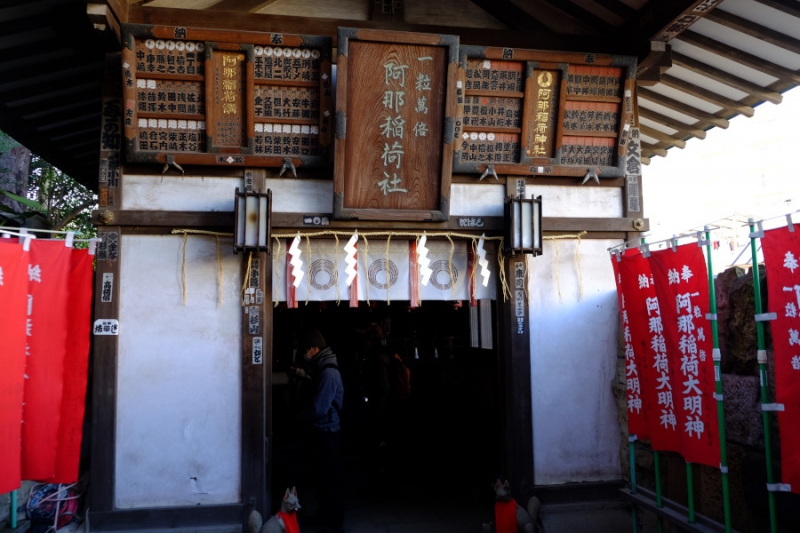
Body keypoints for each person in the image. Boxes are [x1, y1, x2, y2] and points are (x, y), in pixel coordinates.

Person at [291, 328, 345, 533]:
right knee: (322, 478)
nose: (305, 353)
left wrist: (300, 418)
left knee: (330, 479)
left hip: (327, 432)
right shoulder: (321, 366)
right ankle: (326, 514)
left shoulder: (328, 371)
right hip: (322, 430)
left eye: (306, 349)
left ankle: (334, 519)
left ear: (314, 349)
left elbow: (319, 407)